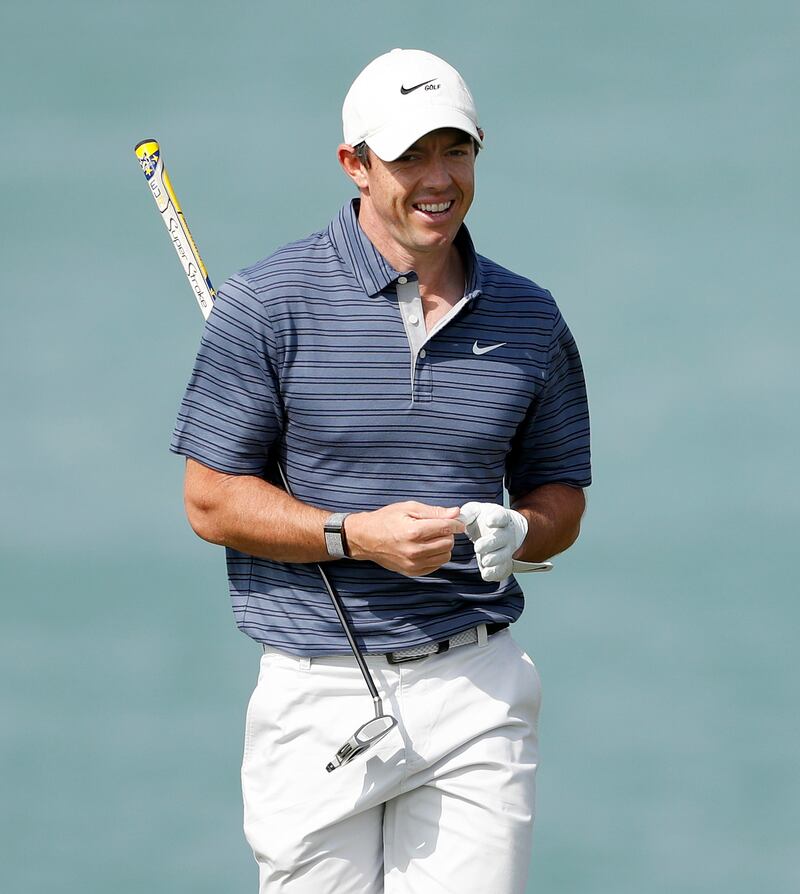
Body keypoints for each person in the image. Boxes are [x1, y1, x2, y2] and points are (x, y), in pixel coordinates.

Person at [171, 48, 590, 894]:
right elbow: (211, 500)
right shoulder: (268, 304)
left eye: (456, 150)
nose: (438, 179)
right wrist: (353, 535)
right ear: (355, 164)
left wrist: (522, 529)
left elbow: (560, 498)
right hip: (318, 693)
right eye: (409, 157)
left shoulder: (530, 315)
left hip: (478, 687)